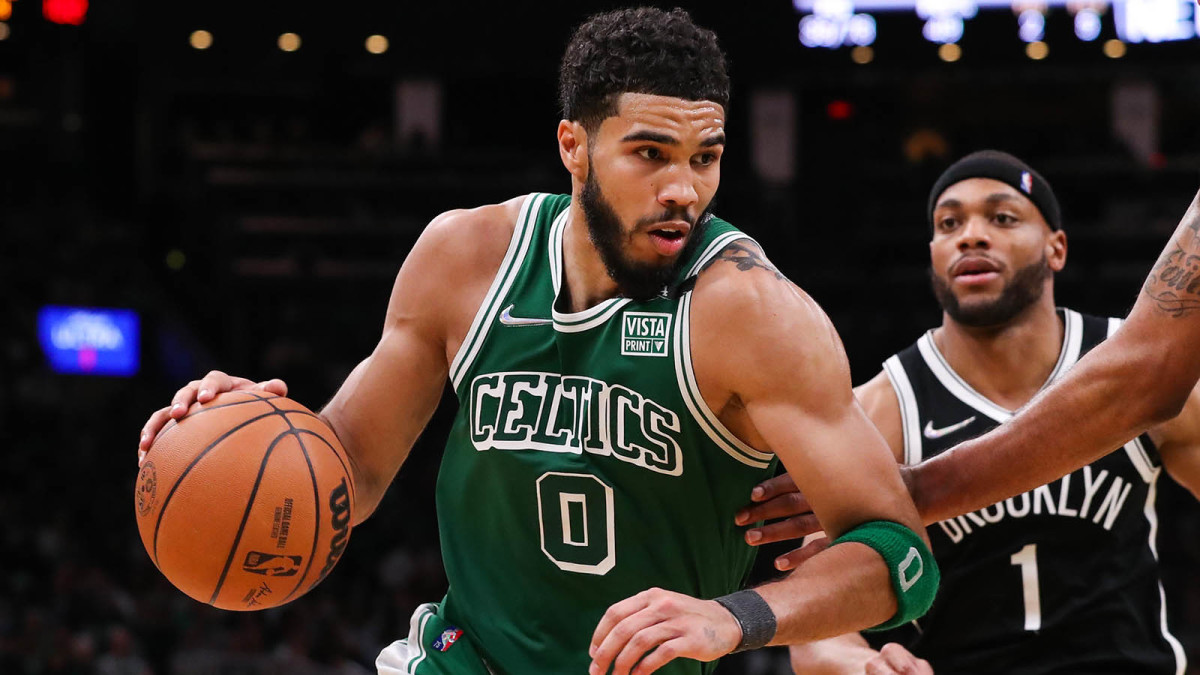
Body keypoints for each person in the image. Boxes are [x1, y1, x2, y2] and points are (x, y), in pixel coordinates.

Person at [137, 9, 938, 675]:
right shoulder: (466, 259)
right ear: (574, 147)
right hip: (462, 657)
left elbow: (898, 555)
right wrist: (252, 431)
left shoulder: (754, 314)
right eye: (650, 154)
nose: (682, 190)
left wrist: (733, 618)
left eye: (706, 158)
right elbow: (356, 463)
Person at [742, 151, 1200, 674]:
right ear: (932, 253)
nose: (971, 236)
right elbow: (821, 616)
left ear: (1057, 248)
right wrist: (856, 665)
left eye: (1002, 218)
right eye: (949, 223)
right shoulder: (882, 406)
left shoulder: (1145, 371)